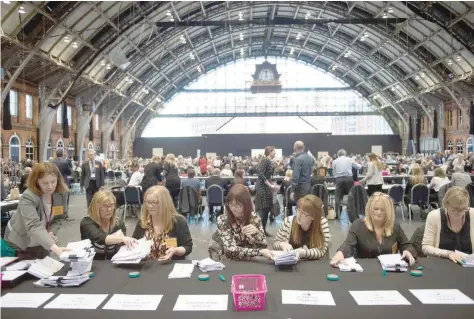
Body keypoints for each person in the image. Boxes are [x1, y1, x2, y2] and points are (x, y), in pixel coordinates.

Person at [4, 163, 71, 260]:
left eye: (53, 181)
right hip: (22, 241)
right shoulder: (28, 196)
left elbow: (58, 218)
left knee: (44, 268)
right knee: (26, 270)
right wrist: (56, 249)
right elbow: (33, 225)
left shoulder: (61, 194)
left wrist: (51, 232)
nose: (50, 186)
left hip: (43, 240)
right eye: (45, 183)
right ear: (36, 181)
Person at [330, 192, 416, 266]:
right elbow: (348, 245)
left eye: (382, 210)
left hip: (389, 272)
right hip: (365, 271)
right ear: (370, 209)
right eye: (376, 209)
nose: (378, 212)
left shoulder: (395, 227)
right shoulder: (358, 225)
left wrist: (408, 251)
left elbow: (407, 245)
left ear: (388, 212)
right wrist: (341, 253)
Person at [209, 184, 272, 260]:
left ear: (246, 204)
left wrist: (257, 234)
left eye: (237, 205)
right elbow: (230, 250)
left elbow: (263, 246)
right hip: (223, 257)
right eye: (230, 204)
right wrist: (259, 252)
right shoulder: (223, 219)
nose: (233, 208)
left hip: (245, 258)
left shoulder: (255, 217)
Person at [132, 186, 193, 261]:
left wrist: (175, 250)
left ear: (165, 203)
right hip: (146, 267)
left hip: (169, 266)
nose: (150, 206)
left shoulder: (178, 221)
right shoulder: (143, 222)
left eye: (155, 202)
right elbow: (134, 243)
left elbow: (187, 247)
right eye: (148, 202)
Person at [422, 187, 474, 263]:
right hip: (441, 264)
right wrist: (448, 254)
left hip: (468, 266)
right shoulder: (434, 216)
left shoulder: (472, 215)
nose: (459, 214)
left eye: (463, 209)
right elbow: (426, 247)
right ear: (446, 204)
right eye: (454, 209)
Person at [80, 191, 137, 259]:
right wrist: (122, 238)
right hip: (92, 264)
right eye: (105, 206)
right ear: (96, 207)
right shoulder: (87, 223)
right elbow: (99, 238)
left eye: (111, 205)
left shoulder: (118, 223)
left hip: (114, 263)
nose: (109, 209)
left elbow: (121, 247)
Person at [273, 195, 331, 259]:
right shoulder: (288, 222)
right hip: (294, 265)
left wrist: (302, 253)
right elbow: (275, 243)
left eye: (303, 213)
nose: (298, 215)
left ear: (313, 217)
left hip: (315, 265)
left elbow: (321, 251)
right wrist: (282, 244)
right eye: (298, 210)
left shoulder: (322, 223)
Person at [255, 146, 279, 236]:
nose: (275, 153)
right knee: (263, 210)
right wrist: (270, 185)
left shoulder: (267, 160)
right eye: (274, 152)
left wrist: (271, 184)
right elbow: (260, 173)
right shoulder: (265, 160)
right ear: (270, 152)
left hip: (265, 187)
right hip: (262, 187)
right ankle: (260, 232)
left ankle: (263, 231)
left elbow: (265, 175)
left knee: (266, 209)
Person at [332, 149, 362, 218]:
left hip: (339, 179)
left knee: (338, 197)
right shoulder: (349, 159)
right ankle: (354, 214)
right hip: (349, 179)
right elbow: (358, 167)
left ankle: (337, 214)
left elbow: (333, 172)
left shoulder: (335, 161)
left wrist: (338, 177)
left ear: (338, 154)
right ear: (345, 154)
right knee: (351, 196)